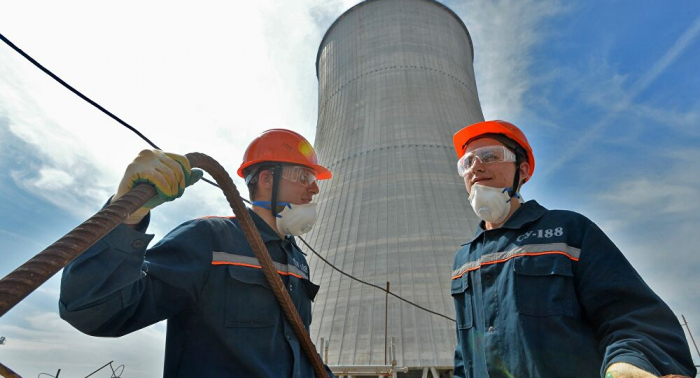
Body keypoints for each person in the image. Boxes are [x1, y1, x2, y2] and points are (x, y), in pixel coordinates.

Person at [59, 129, 335, 377]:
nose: (314, 188)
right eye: (304, 176)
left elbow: (299, 347)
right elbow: (93, 309)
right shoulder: (209, 239)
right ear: (266, 179)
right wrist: (126, 215)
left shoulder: (297, 259)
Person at [450, 120, 696, 378]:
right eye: (467, 162)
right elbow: (465, 355)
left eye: (490, 156)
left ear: (522, 170)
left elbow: (632, 315)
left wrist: (629, 362)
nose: (476, 167)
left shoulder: (568, 231)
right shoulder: (464, 259)